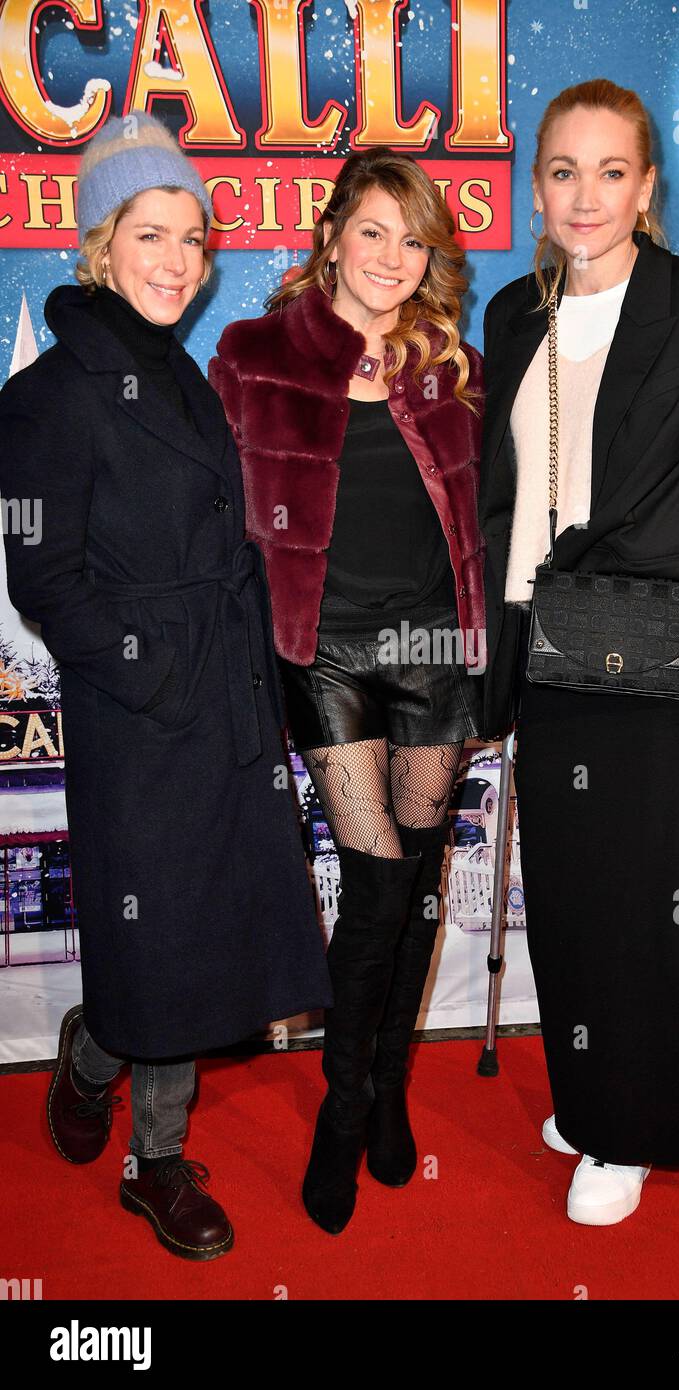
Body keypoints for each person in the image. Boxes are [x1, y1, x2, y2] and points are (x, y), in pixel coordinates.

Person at [0, 112, 332, 1260]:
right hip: (141, 718)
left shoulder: (184, 373)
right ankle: (157, 1162)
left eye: (194, 236)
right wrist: (151, 669)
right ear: (100, 243)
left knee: (206, 948)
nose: (179, 261)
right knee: (167, 944)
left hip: (226, 702)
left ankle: (93, 1048)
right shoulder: (47, 397)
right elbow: (40, 573)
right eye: (153, 235)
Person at [479, 80, 679, 1226]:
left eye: (613, 171)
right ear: (540, 183)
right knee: (569, 895)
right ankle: (590, 1084)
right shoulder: (515, 312)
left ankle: (644, 1124)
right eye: (564, 169)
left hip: (667, 658)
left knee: (660, 904)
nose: (586, 193)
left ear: (647, 187)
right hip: (547, 647)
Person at [209, 148, 485, 1234]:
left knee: (413, 883)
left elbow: (486, 520)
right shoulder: (254, 354)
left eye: (411, 239)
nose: (390, 256)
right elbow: (218, 522)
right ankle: (341, 1106)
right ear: (331, 235)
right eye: (372, 231)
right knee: (375, 887)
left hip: (433, 654)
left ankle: (389, 1090)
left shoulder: (447, 365)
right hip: (323, 655)